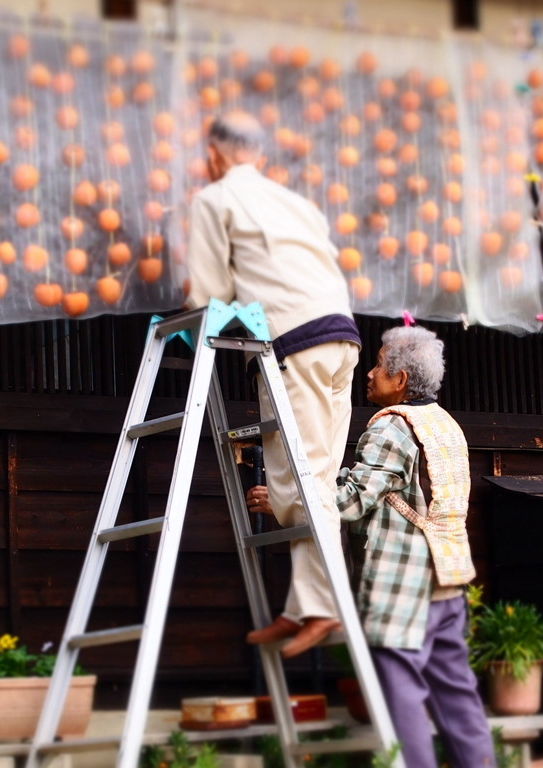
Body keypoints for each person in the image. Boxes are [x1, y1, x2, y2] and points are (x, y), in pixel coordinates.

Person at [185, 110, 361, 659]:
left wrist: (193, 328)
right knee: (320, 477)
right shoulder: (300, 203)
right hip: (343, 339)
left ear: (215, 153)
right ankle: (304, 603)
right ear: (257, 153)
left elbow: (209, 294)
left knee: (295, 482)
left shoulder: (213, 200)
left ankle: (327, 607)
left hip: (295, 344)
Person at [335, 326, 496, 768]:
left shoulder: (392, 426)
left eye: (379, 364)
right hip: (448, 575)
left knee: (402, 695)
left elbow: (349, 502)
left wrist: (287, 498)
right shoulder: (446, 424)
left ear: (400, 379)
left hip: (403, 582)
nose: (368, 374)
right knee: (457, 694)